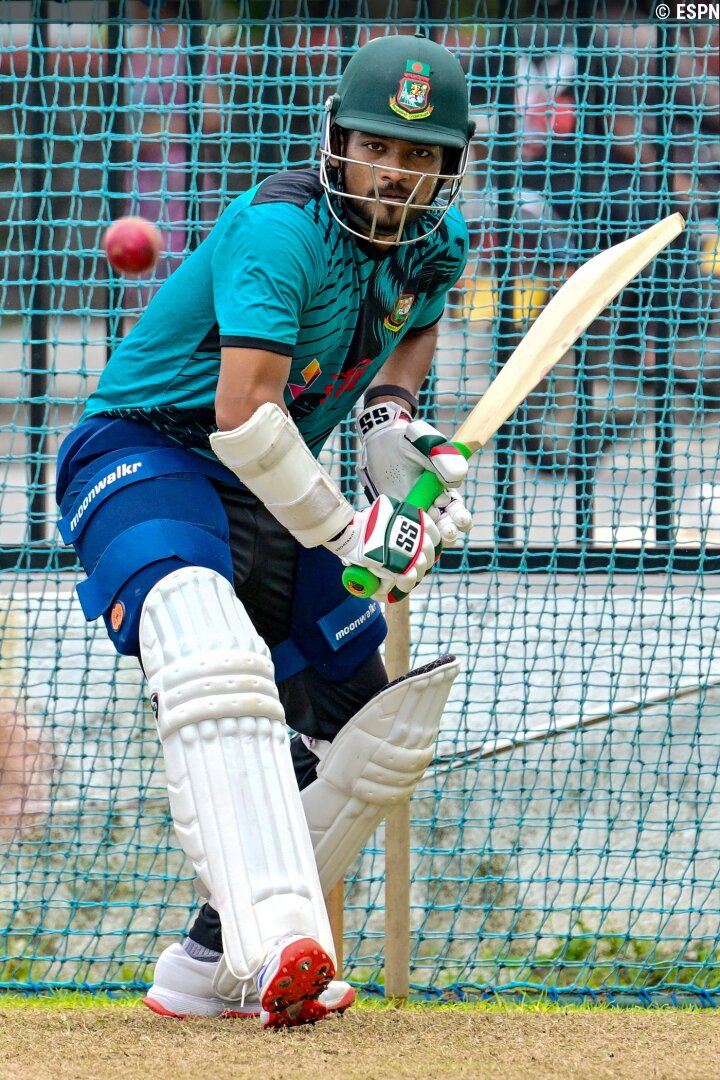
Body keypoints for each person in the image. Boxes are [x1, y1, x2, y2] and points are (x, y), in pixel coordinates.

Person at [55, 33, 474, 1029]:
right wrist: (350, 535)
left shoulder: (437, 244)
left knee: (371, 736)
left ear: (448, 165)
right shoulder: (283, 231)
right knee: (211, 650)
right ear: (338, 142)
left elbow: (405, 345)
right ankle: (273, 944)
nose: (395, 171)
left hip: (273, 477)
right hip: (151, 447)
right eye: (377, 146)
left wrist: (399, 452)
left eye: (419, 155)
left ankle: (209, 964)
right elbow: (243, 412)